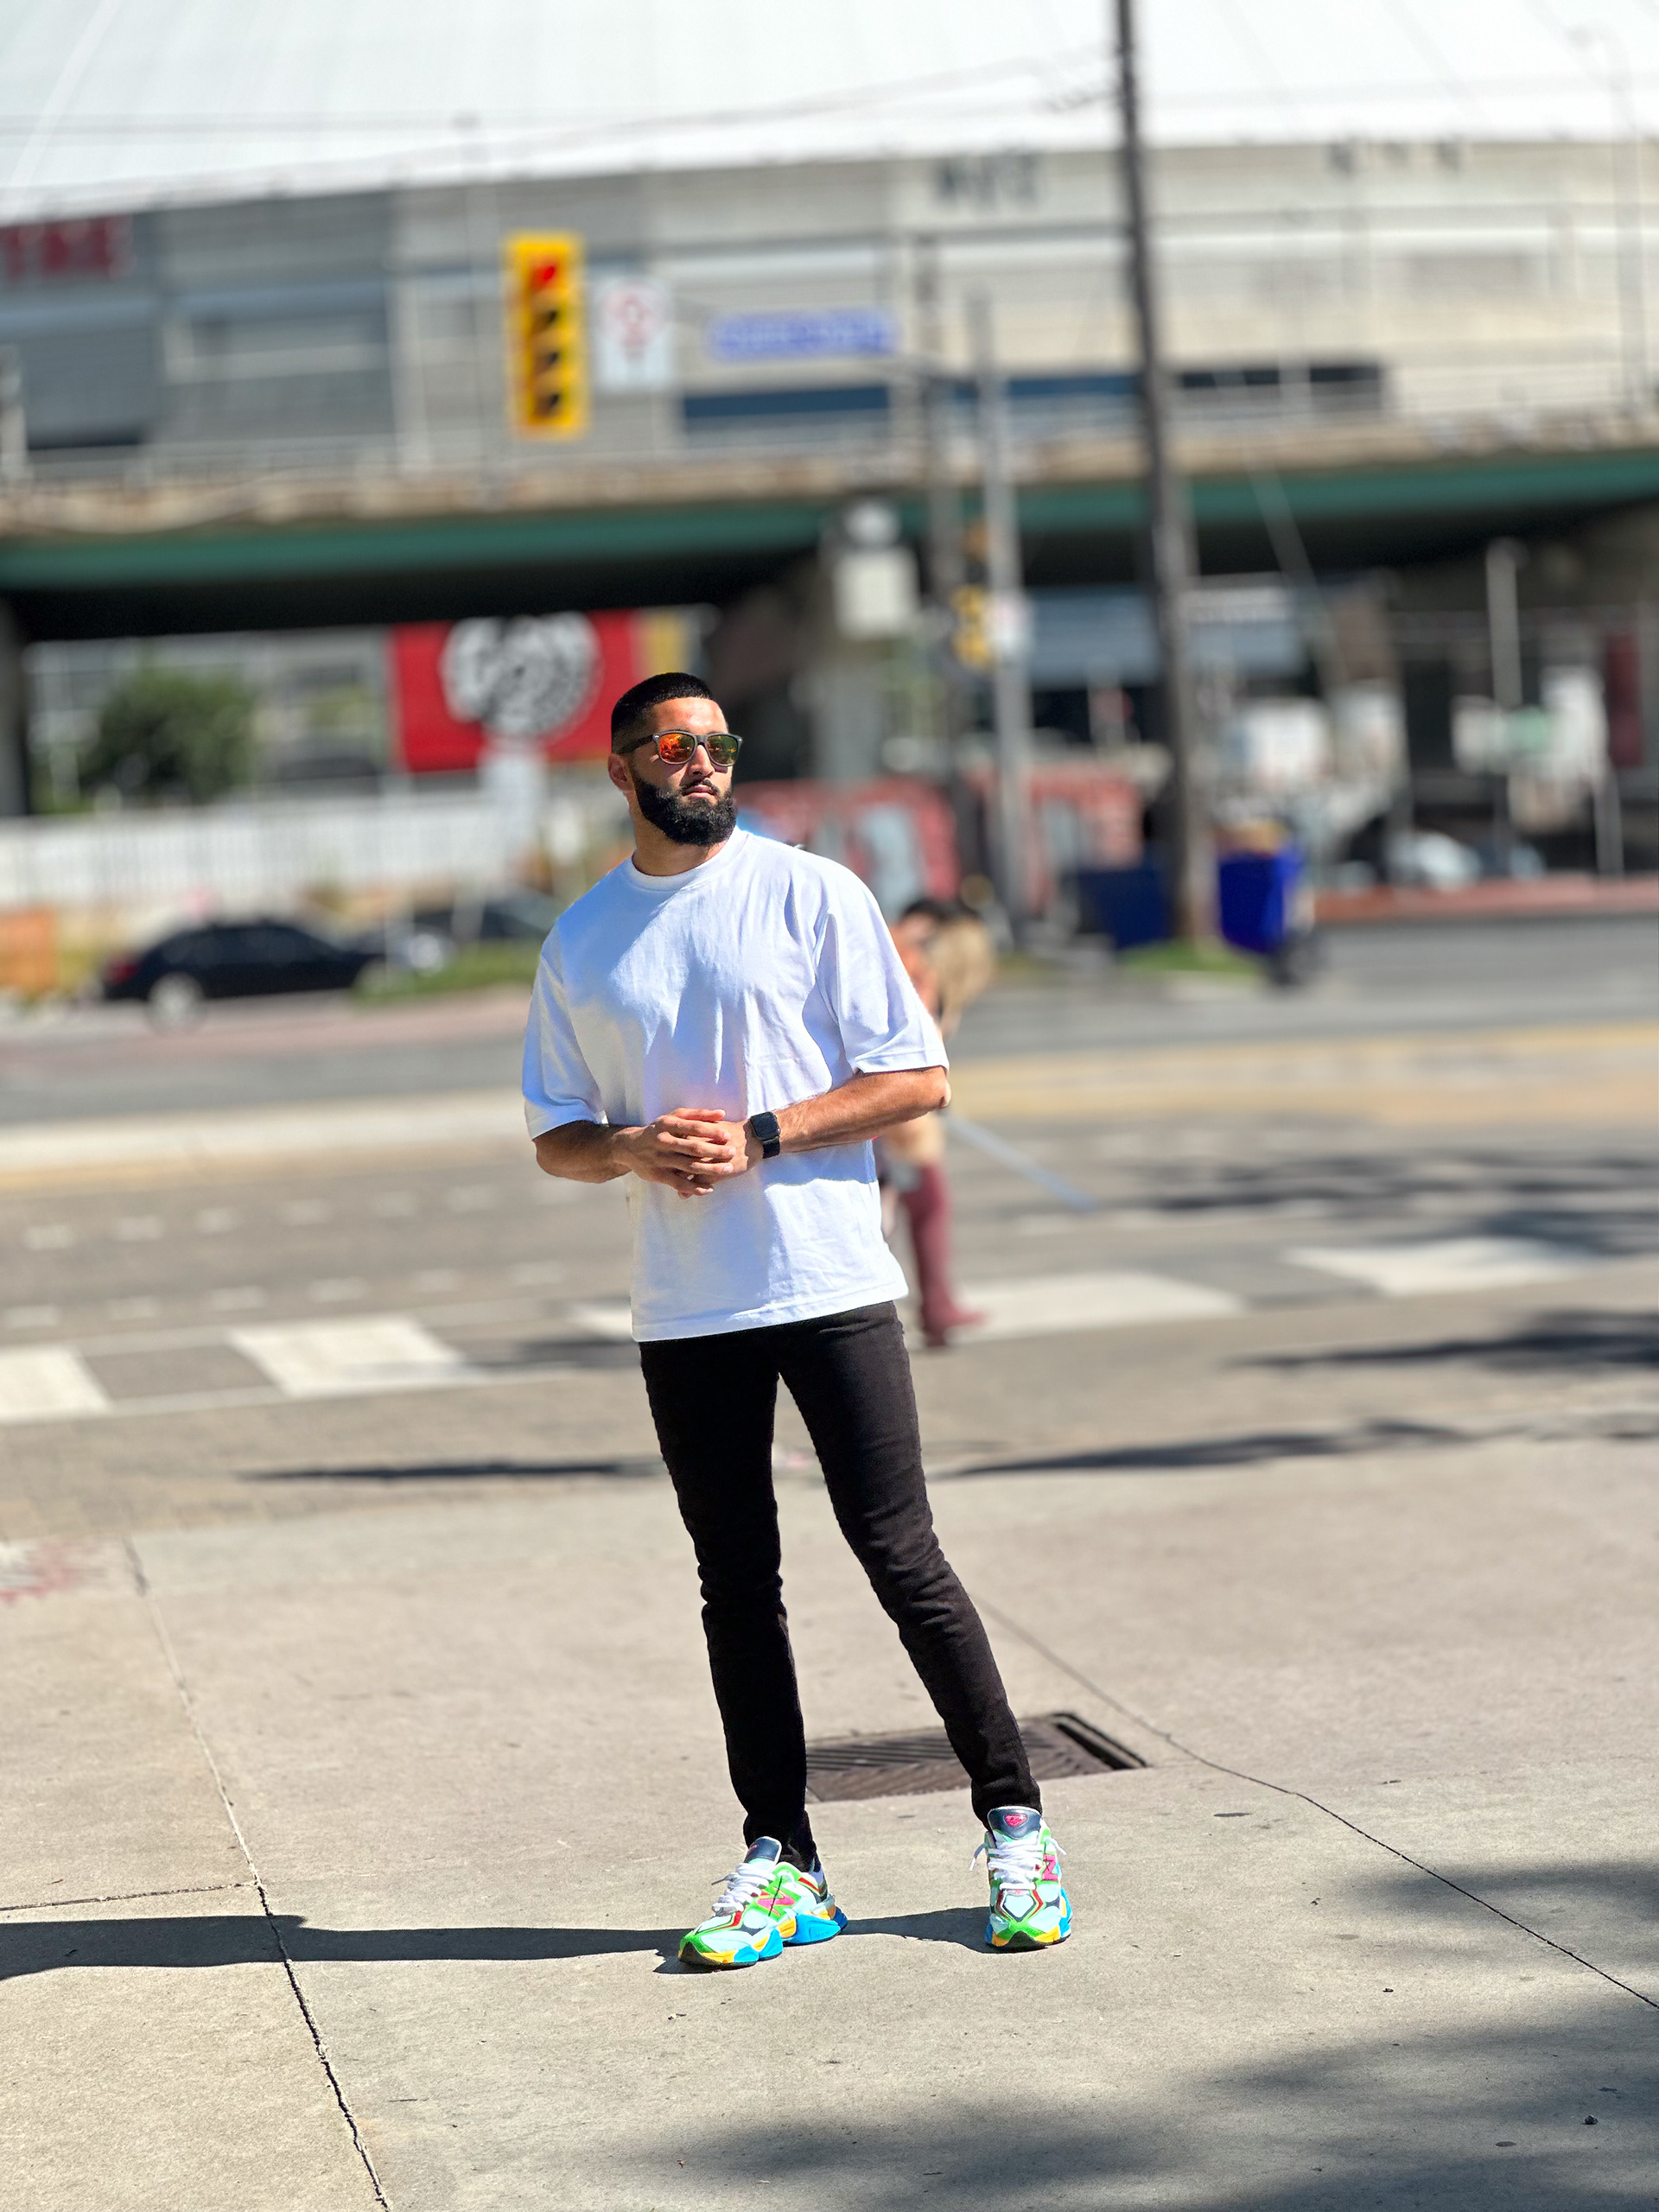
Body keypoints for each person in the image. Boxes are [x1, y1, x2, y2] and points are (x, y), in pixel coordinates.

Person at [523, 672, 1071, 1968]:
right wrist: (635, 1149)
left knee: (901, 1556)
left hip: (828, 1283)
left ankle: (1015, 1824)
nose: (700, 763)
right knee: (736, 1588)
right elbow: (557, 1137)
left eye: (716, 744)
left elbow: (917, 1073)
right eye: (672, 745)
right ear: (623, 773)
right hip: (687, 1304)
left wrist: (764, 1133)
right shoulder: (583, 940)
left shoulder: (812, 892)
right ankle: (784, 1862)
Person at [879, 899, 995, 1348]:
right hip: (876, 1113)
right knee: (896, 1210)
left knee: (914, 1202)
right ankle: (933, 1307)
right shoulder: (912, 961)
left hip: (875, 1111)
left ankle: (937, 1304)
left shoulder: (903, 951)